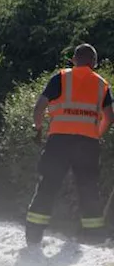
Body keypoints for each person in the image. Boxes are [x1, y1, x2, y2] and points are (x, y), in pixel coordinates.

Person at [25, 43, 114, 248]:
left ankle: (33, 238)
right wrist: (95, 134)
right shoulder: (102, 85)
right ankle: (93, 240)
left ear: (74, 60)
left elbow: (39, 108)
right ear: (94, 63)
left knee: (48, 185)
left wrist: (37, 128)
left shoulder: (61, 78)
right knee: (89, 189)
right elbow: (109, 117)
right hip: (87, 144)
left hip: (59, 142)